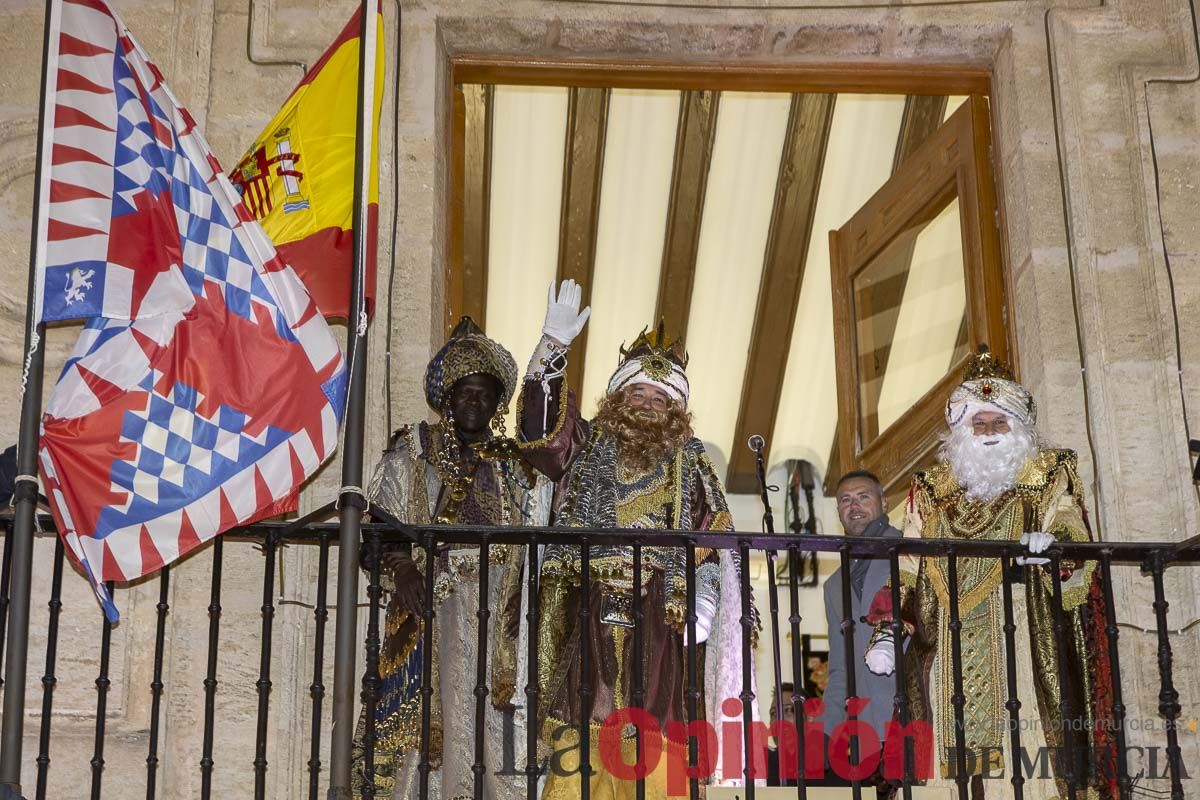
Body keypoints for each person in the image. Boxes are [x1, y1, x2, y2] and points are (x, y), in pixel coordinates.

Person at [518, 280, 755, 799]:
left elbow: (715, 533)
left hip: (661, 616)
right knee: (580, 738)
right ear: (619, 398)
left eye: (659, 397)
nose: (647, 404)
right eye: (637, 393)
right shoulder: (585, 444)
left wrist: (705, 596)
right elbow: (539, 439)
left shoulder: (691, 463)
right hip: (586, 603)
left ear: (676, 410)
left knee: (659, 742)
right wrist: (552, 351)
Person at [863, 346, 1116, 800]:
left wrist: (1053, 544)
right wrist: (887, 626)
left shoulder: (1047, 472)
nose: (989, 433)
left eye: (1000, 422)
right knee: (949, 750)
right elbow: (907, 564)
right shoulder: (932, 489)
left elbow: (1069, 523)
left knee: (1026, 743)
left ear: (1018, 428)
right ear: (961, 432)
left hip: (1019, 627)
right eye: (978, 424)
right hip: (945, 637)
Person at [351, 317, 551, 800]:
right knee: (426, 714)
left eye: (484, 394)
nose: (474, 403)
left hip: (500, 611)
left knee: (497, 712)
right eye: (465, 392)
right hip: (430, 605)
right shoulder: (413, 450)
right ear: (447, 398)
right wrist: (402, 571)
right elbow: (378, 528)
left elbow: (546, 531)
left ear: (496, 403)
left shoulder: (516, 464)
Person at [821, 470, 901, 799]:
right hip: (865, 731)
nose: (854, 506)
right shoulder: (832, 585)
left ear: (883, 503)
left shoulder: (911, 553)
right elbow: (840, 665)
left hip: (911, 713)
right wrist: (828, 731)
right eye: (845, 500)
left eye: (863, 497)